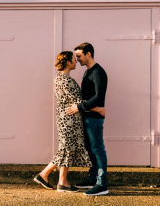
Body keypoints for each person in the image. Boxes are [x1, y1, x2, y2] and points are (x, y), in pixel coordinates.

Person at [34, 51, 105, 192]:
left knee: (68, 148)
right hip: (68, 119)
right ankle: (44, 174)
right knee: (66, 148)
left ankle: (63, 182)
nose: (76, 61)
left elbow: (75, 102)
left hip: (70, 118)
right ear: (68, 62)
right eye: (74, 59)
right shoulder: (64, 80)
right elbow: (76, 101)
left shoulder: (63, 78)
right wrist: (98, 109)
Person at [66, 42, 109, 196]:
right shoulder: (87, 72)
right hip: (88, 116)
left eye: (79, 56)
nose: (77, 59)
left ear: (88, 54)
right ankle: (92, 179)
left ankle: (101, 184)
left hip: (94, 120)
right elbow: (87, 98)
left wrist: (79, 107)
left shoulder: (98, 72)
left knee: (98, 150)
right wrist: (89, 107)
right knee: (91, 150)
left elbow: (98, 97)